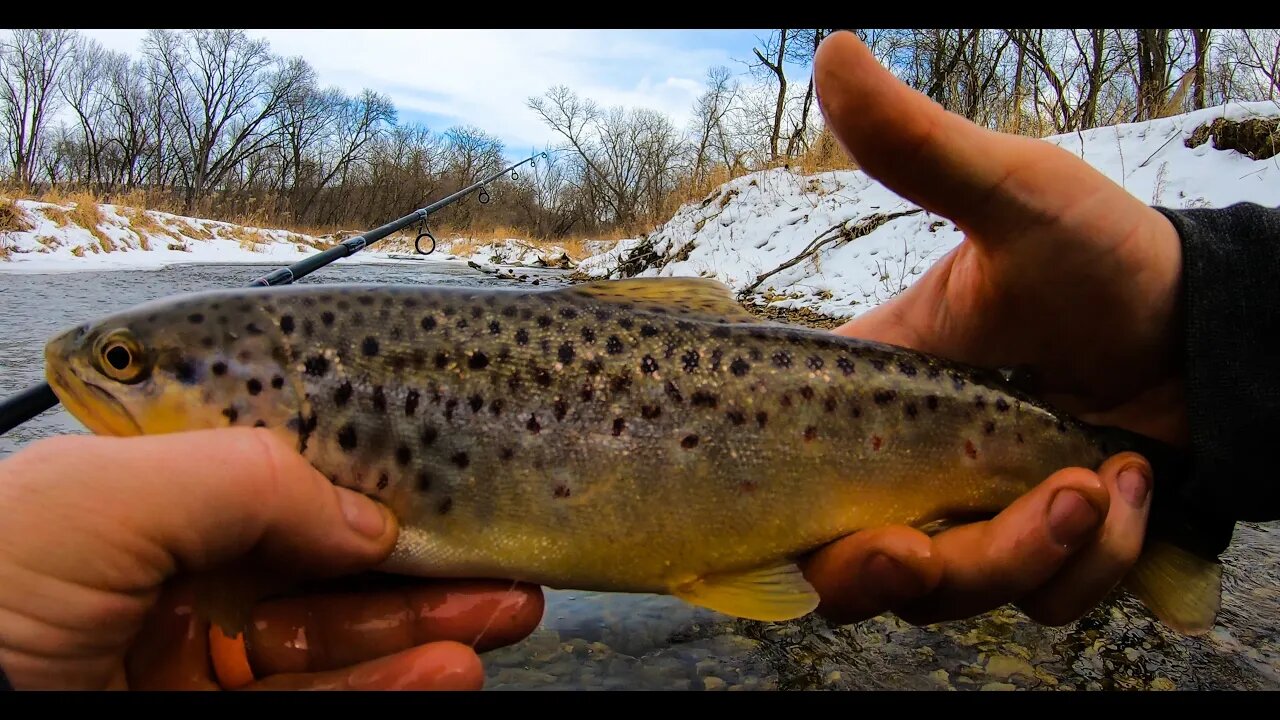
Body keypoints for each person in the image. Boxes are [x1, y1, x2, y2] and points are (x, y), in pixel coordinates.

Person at [0, 30, 1276, 690]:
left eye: (119, 355)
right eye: (127, 352)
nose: (91, 370)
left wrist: (1195, 341)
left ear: (267, 389)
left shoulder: (323, 396)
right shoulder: (298, 425)